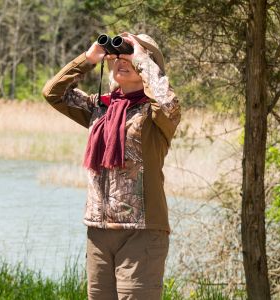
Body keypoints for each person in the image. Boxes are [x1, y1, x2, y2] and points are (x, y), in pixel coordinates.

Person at [42, 32, 181, 300]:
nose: (121, 59)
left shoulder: (156, 115)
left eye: (129, 55)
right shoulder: (100, 108)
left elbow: (167, 103)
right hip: (99, 232)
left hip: (142, 232)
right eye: (116, 55)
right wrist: (89, 58)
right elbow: (53, 93)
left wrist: (140, 57)